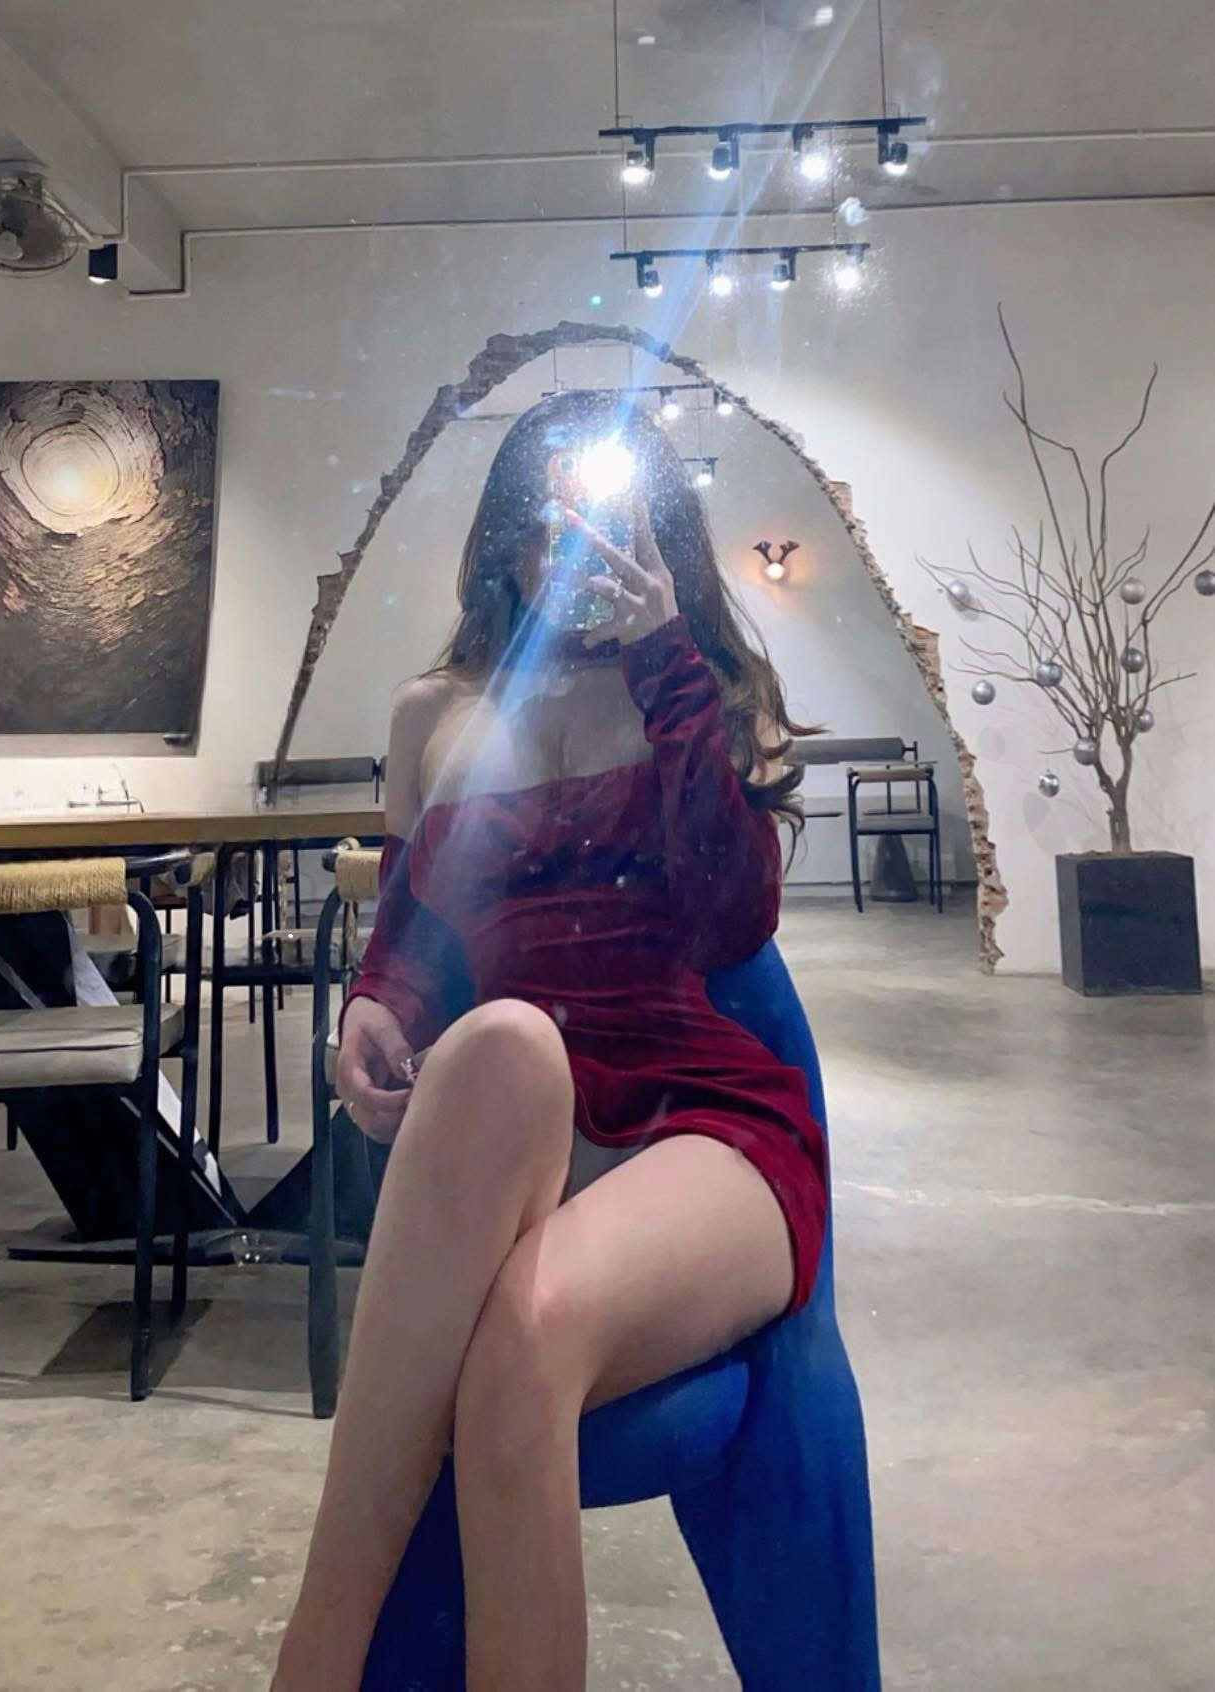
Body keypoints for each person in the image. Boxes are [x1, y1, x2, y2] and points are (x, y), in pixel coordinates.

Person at [273, 390, 828, 1691]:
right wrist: (373, 1005)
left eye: (605, 522)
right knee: (505, 1040)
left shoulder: (707, 686)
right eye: (544, 525)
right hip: (518, 1111)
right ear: (504, 544)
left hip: (702, 1125)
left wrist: (665, 661)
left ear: (655, 537)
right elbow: (416, 924)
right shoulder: (432, 711)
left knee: (518, 1359)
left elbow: (730, 918)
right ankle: (321, 1653)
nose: (569, 553)